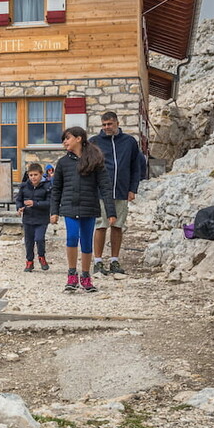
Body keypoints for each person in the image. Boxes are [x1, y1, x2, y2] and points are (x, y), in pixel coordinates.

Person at [50, 126, 117, 293]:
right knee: (72, 238)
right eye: (63, 139)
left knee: (86, 243)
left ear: (78, 138)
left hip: (89, 208)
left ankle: (86, 277)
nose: (65, 142)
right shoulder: (63, 163)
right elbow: (56, 189)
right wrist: (54, 211)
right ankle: (72, 275)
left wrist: (111, 211)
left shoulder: (95, 160)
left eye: (67, 138)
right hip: (70, 208)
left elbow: (105, 187)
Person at [89, 111, 143, 278]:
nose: (107, 127)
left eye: (110, 124)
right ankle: (98, 261)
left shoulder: (129, 142)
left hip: (121, 190)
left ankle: (114, 260)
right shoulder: (94, 142)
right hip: (100, 193)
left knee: (117, 225)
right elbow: (87, 167)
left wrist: (133, 188)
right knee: (101, 225)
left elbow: (137, 166)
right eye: (104, 125)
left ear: (117, 123)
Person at [16, 163, 51, 272]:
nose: (33, 177)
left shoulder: (47, 186)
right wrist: (19, 207)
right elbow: (18, 200)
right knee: (29, 241)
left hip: (41, 218)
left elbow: (50, 202)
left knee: (39, 239)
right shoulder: (24, 186)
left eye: (35, 175)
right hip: (28, 218)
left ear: (41, 174)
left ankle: (41, 257)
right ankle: (29, 262)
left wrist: (35, 203)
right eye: (31, 175)